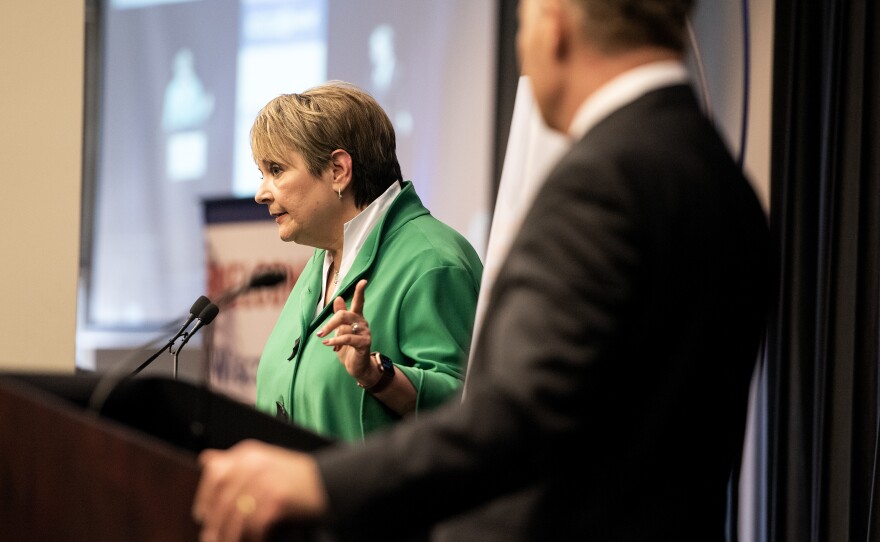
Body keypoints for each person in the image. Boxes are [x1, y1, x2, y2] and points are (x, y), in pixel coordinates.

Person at [192, 1, 773, 540]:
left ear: (555, 23)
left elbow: (511, 417)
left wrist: (317, 483)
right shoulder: (723, 183)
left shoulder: (603, 184)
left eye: (520, 23)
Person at [249, 81, 483, 442]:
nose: (261, 193)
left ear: (338, 170)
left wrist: (377, 375)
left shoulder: (434, 261)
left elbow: (472, 410)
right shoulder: (325, 259)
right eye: (261, 174)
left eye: (276, 170)